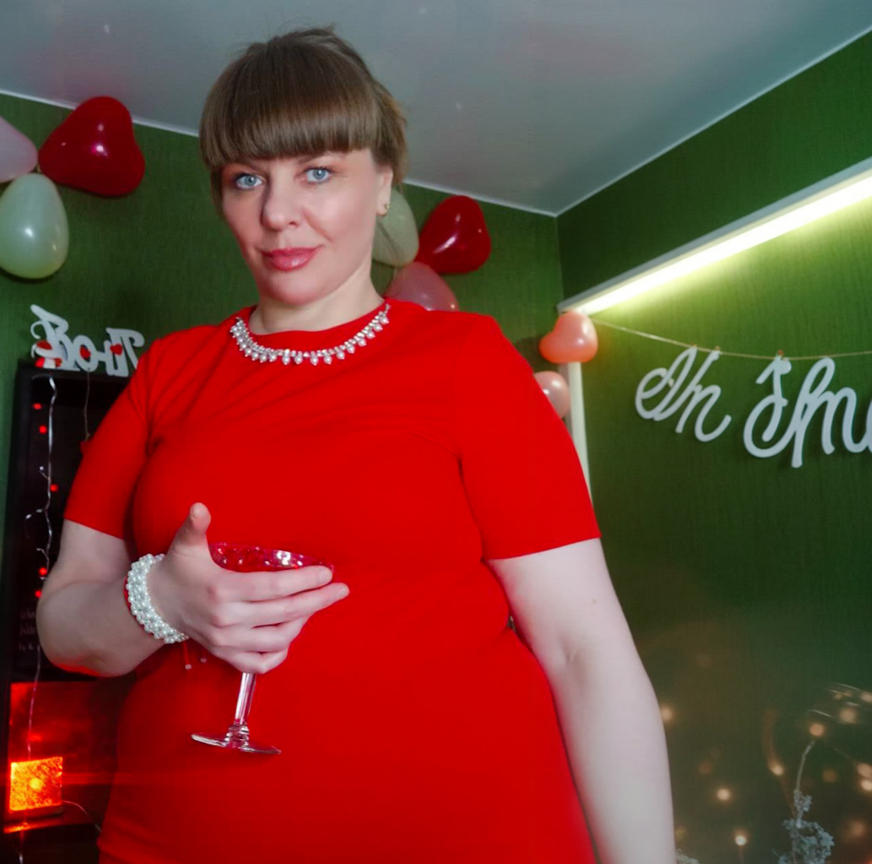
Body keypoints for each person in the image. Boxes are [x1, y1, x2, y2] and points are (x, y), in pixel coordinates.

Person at [38, 27, 675, 864]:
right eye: (246, 179)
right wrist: (159, 600)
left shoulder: (469, 362)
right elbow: (64, 629)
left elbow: (584, 651)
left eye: (317, 172)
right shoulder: (169, 373)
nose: (277, 213)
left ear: (383, 184)